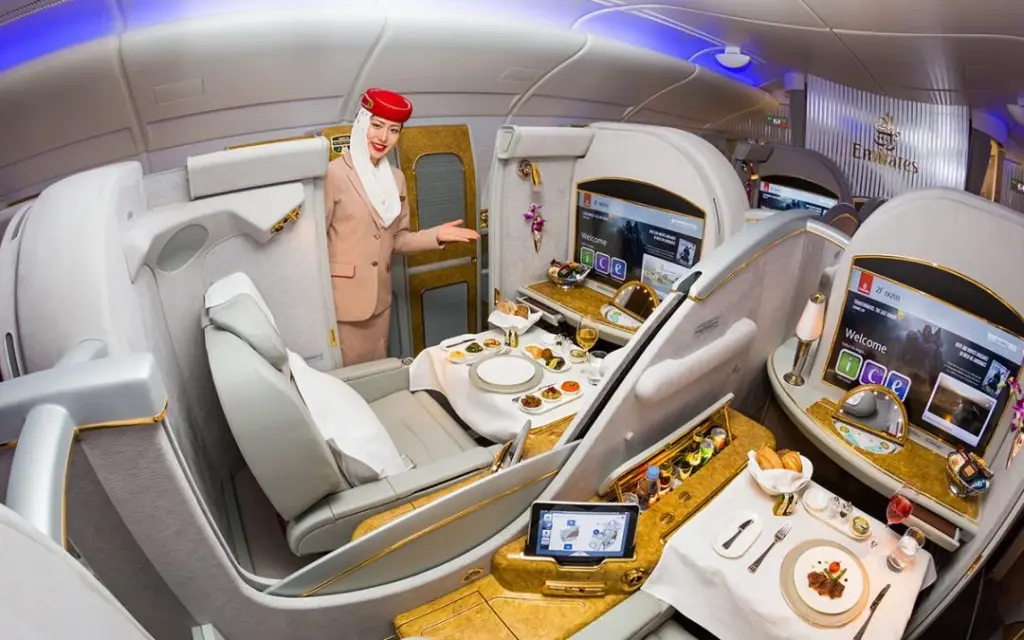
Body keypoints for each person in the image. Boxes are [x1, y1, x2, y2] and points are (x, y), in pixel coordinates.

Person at [324, 88, 478, 365]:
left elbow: (397, 239)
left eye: (394, 130)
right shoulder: (334, 174)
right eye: (377, 126)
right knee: (350, 378)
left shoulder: (395, 179)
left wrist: (436, 235)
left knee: (379, 370)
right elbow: (316, 244)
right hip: (343, 303)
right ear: (361, 124)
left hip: (380, 302)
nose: (383, 137)